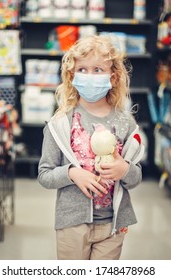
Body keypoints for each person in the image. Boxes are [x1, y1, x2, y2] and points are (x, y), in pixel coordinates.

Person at [37, 35, 145, 260]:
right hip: (72, 224)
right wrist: (72, 173)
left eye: (98, 70)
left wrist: (123, 169)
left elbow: (135, 178)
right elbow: (44, 174)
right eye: (82, 70)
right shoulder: (61, 123)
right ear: (72, 76)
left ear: (113, 77)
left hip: (113, 225)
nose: (89, 76)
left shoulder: (126, 124)